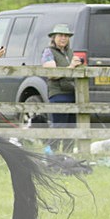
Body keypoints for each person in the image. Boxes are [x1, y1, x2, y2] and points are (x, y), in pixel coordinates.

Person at [41, 23, 83, 152]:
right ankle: (51, 154)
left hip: (71, 93)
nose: (63, 38)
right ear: (54, 37)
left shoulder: (70, 52)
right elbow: (52, 73)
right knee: (59, 126)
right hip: (58, 93)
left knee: (71, 127)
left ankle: (67, 155)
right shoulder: (48, 52)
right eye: (60, 35)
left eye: (66, 36)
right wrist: (70, 67)